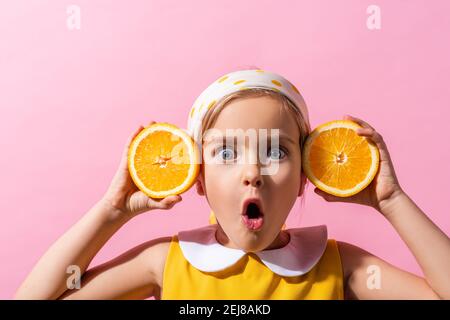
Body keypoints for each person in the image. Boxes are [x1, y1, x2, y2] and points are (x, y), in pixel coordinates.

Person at [15, 69, 450, 300]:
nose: (252, 172)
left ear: (305, 176)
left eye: (276, 151)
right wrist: (110, 211)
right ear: (199, 177)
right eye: (226, 153)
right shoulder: (164, 264)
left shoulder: (340, 267)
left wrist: (392, 201)